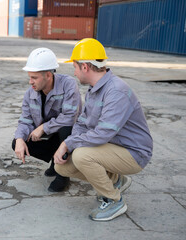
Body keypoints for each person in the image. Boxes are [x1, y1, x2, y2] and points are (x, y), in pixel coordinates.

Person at [53, 38, 153, 221]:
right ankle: (116, 181)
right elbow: (82, 123)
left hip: (134, 153)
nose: (73, 73)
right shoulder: (93, 89)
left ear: (85, 67)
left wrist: (68, 143)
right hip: (112, 146)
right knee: (62, 167)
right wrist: (68, 146)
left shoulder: (116, 91)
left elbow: (102, 134)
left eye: (74, 67)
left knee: (83, 156)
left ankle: (114, 200)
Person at [12, 47, 82, 192]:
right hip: (52, 136)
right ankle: (54, 161)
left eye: (34, 78)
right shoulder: (30, 93)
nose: (30, 82)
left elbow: (69, 117)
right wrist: (19, 139)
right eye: (29, 77)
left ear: (48, 75)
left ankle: (63, 173)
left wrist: (43, 128)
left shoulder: (68, 84)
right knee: (18, 142)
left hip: (72, 135)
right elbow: (25, 119)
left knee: (65, 129)